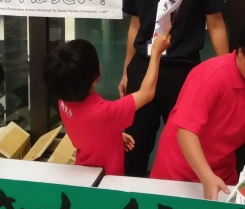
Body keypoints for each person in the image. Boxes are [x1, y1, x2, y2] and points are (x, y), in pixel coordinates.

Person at [120, 0, 229, 177]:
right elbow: (135, 25)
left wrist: (226, 75)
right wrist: (126, 70)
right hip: (143, 67)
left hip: (183, 71)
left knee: (184, 149)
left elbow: (216, 25)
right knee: (133, 146)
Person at [149, 17, 245, 199]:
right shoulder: (210, 77)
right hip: (178, 176)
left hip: (221, 179)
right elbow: (186, 132)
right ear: (242, 52)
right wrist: (207, 176)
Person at [44, 31, 171, 175]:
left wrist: (110, 133)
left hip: (83, 171)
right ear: (96, 76)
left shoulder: (63, 100)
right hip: (107, 179)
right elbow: (146, 93)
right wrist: (156, 53)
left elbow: (87, 130)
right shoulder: (104, 113)